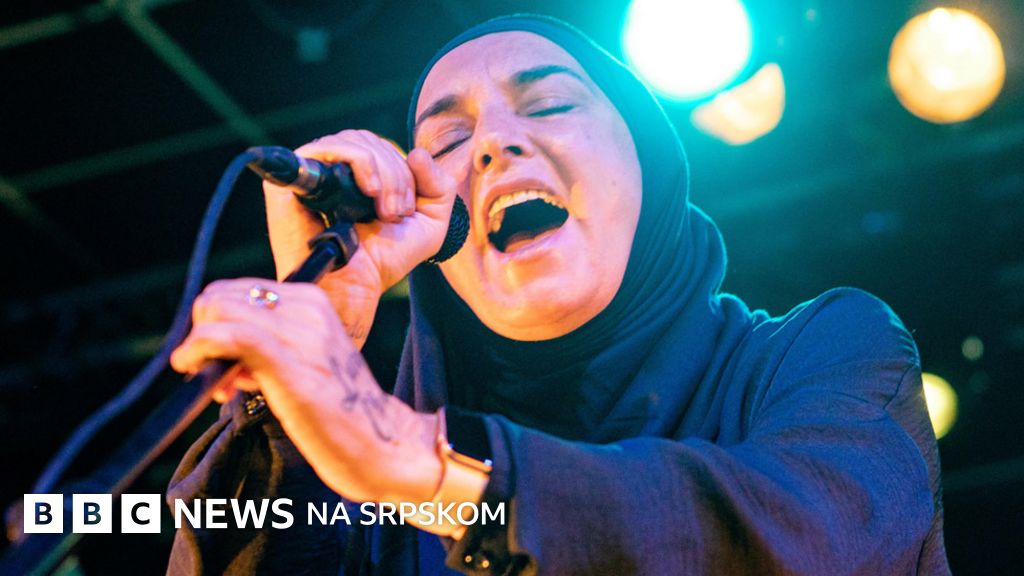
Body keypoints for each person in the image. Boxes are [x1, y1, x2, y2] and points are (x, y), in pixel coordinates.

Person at [165, 14, 950, 575]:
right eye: (447, 141)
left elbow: (809, 541)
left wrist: (409, 458)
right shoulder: (365, 492)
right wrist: (293, 396)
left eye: (550, 105)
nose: (493, 144)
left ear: (647, 165)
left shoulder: (824, 352)